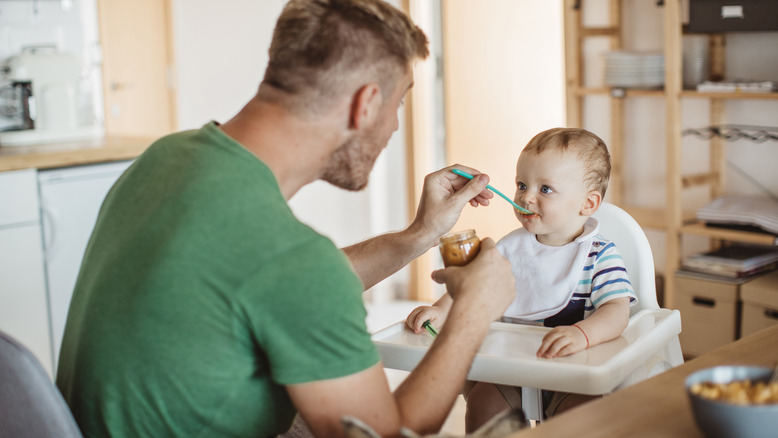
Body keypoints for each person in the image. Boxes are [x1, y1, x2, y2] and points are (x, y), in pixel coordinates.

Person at [55, 1, 516, 437]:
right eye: (397, 105)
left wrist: (420, 236)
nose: (395, 126)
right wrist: (473, 312)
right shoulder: (292, 262)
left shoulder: (166, 158)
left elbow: (276, 287)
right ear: (366, 104)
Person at [405, 127, 638, 431]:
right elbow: (473, 286)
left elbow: (617, 309)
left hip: (572, 371)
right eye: (522, 184)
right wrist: (440, 309)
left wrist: (583, 334)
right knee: (483, 403)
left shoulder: (598, 255)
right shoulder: (510, 248)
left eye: (545, 189)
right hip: (509, 369)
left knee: (583, 415)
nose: (526, 197)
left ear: (588, 204)